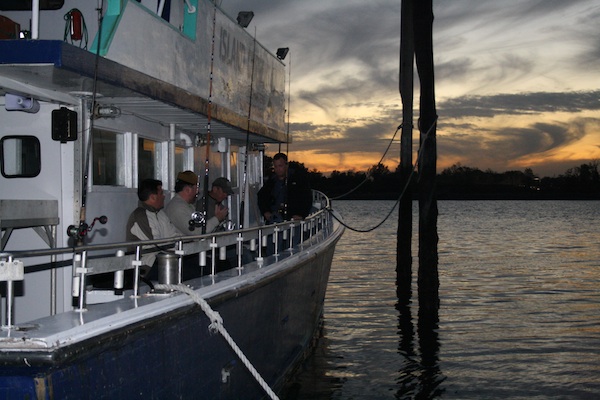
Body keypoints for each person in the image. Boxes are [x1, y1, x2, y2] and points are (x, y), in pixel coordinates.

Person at [126, 178, 180, 273]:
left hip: (163, 260)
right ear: (153, 197)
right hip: (147, 265)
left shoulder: (161, 214)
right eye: (161, 193)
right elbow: (156, 245)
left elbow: (173, 237)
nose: (163, 196)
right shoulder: (140, 216)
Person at [258, 152, 312, 224]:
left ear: (286, 165)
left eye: (280, 166)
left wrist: (302, 214)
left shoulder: (298, 180)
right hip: (274, 219)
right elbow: (261, 196)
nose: (278, 169)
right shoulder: (271, 181)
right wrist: (265, 211)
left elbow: (307, 198)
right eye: (276, 166)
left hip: (292, 220)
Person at [164, 170, 199, 235]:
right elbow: (195, 232)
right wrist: (217, 219)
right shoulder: (177, 207)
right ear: (188, 190)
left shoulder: (187, 205)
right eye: (195, 189)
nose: (197, 192)